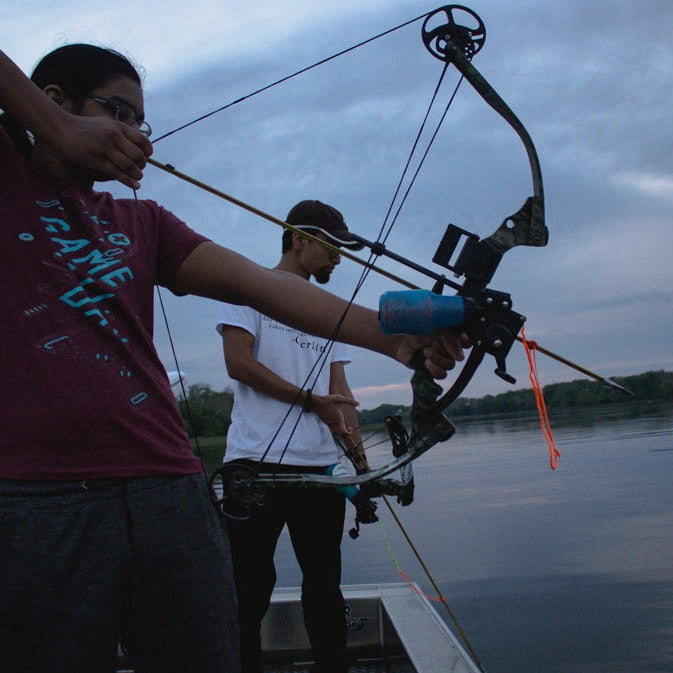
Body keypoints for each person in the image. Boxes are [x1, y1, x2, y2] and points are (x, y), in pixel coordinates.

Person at [0, 44, 465, 673]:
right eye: (119, 113)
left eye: (142, 123)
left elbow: (268, 287)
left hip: (168, 486)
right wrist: (49, 128)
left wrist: (395, 337)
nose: (137, 137)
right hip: (36, 498)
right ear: (54, 100)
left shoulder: (146, 223)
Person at [217, 200, 372, 673]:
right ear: (298, 240)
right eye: (331, 247)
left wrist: (364, 467)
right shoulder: (249, 291)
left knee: (325, 585)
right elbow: (237, 363)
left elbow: (340, 395)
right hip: (253, 470)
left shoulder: (330, 312)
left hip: (321, 472)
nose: (338, 259)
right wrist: (310, 402)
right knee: (248, 590)